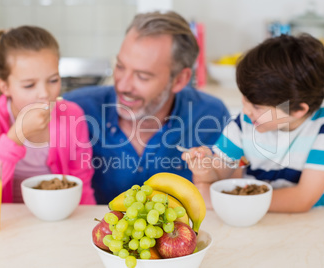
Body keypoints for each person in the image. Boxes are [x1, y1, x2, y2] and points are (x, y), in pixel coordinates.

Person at [64, 11, 230, 204]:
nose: (123, 85)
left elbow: (230, 196)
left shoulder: (212, 116)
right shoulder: (76, 110)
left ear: (179, 79)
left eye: (142, 76)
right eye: (120, 66)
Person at [182, 34, 324, 212]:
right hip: (254, 222)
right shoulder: (245, 122)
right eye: (245, 98)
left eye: (256, 106)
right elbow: (219, 176)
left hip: (308, 226)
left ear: (298, 109)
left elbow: (302, 199)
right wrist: (204, 170)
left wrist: (230, 202)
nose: (245, 110)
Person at [0, 26, 95, 204]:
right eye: (29, 85)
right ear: (4, 87)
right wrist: (17, 135)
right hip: (6, 224)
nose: (44, 93)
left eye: (53, 80)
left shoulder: (73, 116)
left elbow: (82, 187)